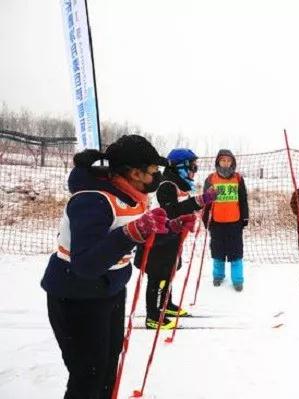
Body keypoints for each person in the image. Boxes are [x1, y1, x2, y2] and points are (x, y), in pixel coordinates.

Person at [41, 135, 195, 398]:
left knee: (109, 364)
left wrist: (169, 228)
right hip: (76, 296)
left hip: (109, 291)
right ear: (135, 172)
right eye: (152, 172)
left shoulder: (130, 194)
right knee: (88, 377)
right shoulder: (93, 200)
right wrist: (133, 232)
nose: (157, 177)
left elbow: (130, 230)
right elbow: (87, 263)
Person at [136, 148, 216, 329]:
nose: (194, 170)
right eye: (192, 166)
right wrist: (200, 200)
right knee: (158, 275)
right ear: (180, 167)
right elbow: (170, 212)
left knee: (169, 271)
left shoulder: (179, 185)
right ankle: (153, 315)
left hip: (171, 237)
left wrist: (199, 203)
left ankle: (166, 304)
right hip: (158, 239)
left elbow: (183, 208)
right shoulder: (166, 185)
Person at [202, 149, 249, 292]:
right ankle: (218, 276)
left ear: (232, 163)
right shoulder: (211, 179)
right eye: (223, 160)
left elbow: (243, 199)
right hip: (217, 223)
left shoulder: (238, 178)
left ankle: (237, 280)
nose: (226, 163)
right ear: (218, 162)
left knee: (236, 252)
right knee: (218, 252)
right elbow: (206, 201)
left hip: (235, 223)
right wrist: (205, 218)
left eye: (229, 161)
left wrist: (245, 217)